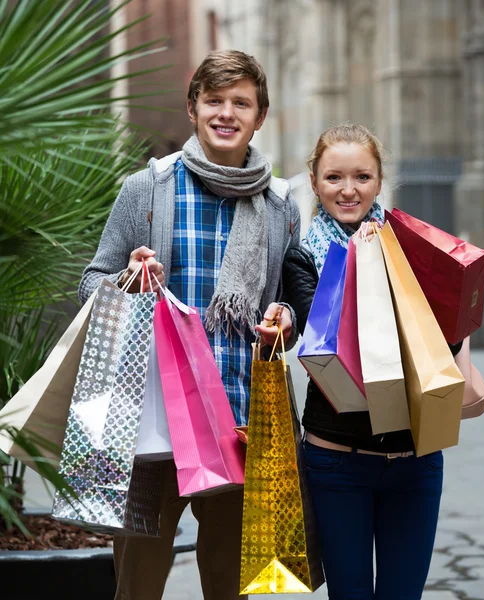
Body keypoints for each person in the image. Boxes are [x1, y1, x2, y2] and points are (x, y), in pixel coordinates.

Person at [78, 50, 301, 600]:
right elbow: (92, 283)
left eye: (241, 103)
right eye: (215, 100)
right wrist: (127, 281)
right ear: (193, 107)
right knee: (138, 581)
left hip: (240, 418)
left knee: (233, 582)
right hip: (152, 421)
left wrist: (285, 321)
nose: (227, 113)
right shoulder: (146, 190)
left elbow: (288, 303)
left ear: (260, 115)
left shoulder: (280, 207)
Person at [279, 123, 464, 600]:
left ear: (380, 181)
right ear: (315, 183)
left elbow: (447, 328)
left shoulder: (415, 248)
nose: (347, 190)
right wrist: (363, 268)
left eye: (361, 176)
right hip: (338, 462)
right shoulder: (303, 258)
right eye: (333, 178)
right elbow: (328, 345)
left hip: (416, 458)